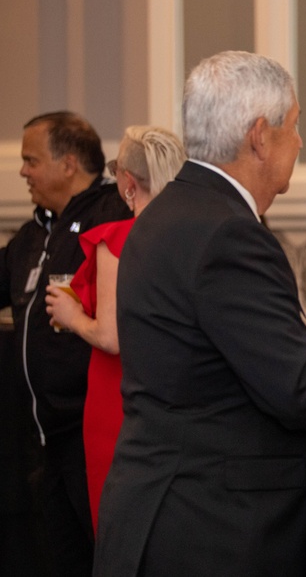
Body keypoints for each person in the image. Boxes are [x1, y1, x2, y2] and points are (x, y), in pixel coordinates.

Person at [92, 50, 306, 576]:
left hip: (154, 507)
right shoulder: (227, 232)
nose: (300, 141)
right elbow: (296, 390)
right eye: (294, 126)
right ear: (259, 136)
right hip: (211, 529)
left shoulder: (163, 215)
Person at [0, 111, 131, 576]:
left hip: (92, 433)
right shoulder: (35, 232)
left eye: (31, 160)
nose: (22, 172)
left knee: (104, 556)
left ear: (69, 163)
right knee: (58, 559)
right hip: (43, 437)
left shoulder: (113, 215)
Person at [45, 125, 186, 534]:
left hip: (118, 396)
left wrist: (71, 316)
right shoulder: (186, 237)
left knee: (118, 523)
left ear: (127, 183)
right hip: (171, 394)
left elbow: (111, 337)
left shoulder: (118, 239)